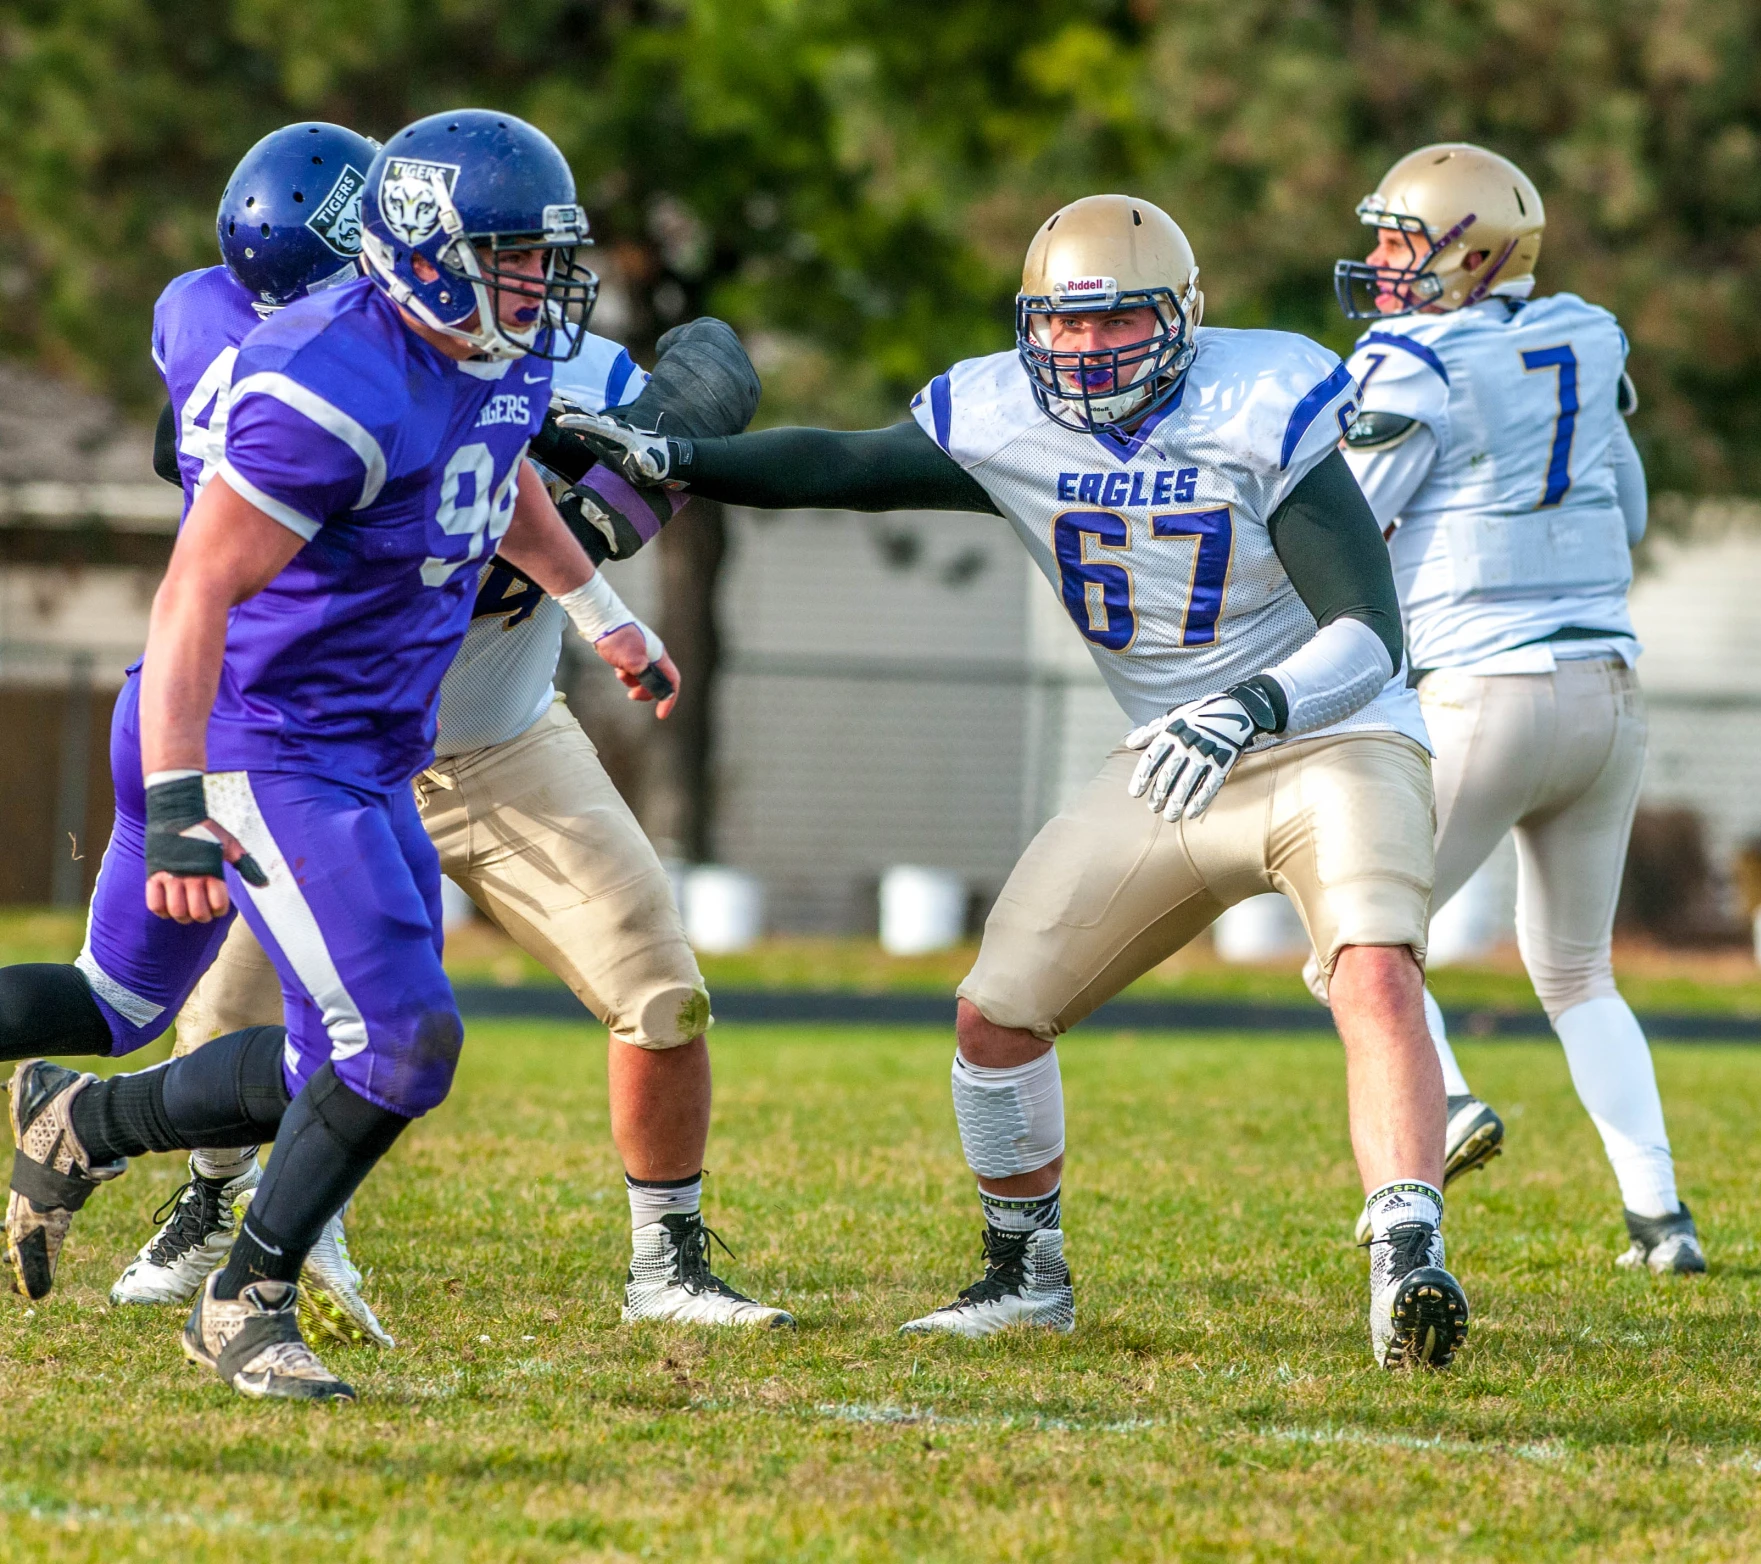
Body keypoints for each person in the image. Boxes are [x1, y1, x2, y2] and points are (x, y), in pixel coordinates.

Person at [562, 193, 1472, 1368]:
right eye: (1064, 326)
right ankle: (1026, 1273)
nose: (1087, 353)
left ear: (1183, 319)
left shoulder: (1261, 400)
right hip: (1168, 760)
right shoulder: (1004, 413)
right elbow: (850, 465)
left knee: (1374, 967)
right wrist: (682, 457)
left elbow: (1370, 632)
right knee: (998, 1015)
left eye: (1118, 324)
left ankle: (1407, 1257)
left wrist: (1252, 703)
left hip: (1329, 733)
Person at [6, 108, 673, 1401]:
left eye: (546, 257)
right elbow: (194, 595)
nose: (540, 284)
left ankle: (81, 1119)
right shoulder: (329, 380)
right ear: (424, 254)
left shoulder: (489, 346)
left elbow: (502, 477)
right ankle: (243, 1298)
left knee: (297, 1053)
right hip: (262, 738)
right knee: (400, 1042)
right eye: (512, 256)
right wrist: (183, 804)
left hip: (363, 744)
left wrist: (602, 612)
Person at [114, 132, 780, 1331]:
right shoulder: (319, 374)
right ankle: (207, 1203)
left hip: (501, 739)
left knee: (657, 988)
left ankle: (667, 1255)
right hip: (311, 748)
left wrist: (635, 487)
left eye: (537, 259)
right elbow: (199, 482)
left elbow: (710, 371)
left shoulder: (526, 348)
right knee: (234, 1024)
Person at [1327, 143, 1703, 1274]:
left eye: (1406, 240)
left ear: (1477, 252)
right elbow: (1629, 509)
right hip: (1609, 690)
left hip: (1485, 692)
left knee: (1357, 945)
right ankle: (1661, 1220)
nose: (1385, 262)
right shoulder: (1585, 333)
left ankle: (1438, 1107)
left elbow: (1347, 521)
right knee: (1578, 971)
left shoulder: (1411, 361)